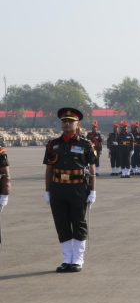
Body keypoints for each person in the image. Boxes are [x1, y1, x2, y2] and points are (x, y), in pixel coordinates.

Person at [44, 108, 97, 272]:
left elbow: (92, 169)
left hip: (78, 188)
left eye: (70, 121)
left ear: (77, 123)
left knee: (78, 223)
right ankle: (67, 259)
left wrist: (93, 191)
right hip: (58, 188)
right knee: (62, 224)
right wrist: (47, 191)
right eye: (64, 121)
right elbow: (49, 169)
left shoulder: (86, 144)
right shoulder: (53, 144)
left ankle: (78, 260)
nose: (66, 124)